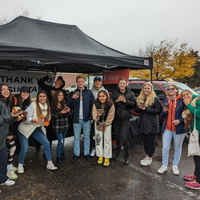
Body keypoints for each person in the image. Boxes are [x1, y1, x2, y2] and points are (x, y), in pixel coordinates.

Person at [17, 90, 57, 173]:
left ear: (46, 98)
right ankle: (20, 164)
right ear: (38, 98)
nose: (42, 98)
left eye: (44, 96)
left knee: (46, 143)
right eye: (40, 96)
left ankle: (49, 163)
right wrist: (33, 120)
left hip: (36, 129)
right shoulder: (33, 105)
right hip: (25, 128)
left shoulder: (47, 107)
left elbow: (47, 120)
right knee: (24, 148)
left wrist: (47, 120)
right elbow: (25, 118)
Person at [157, 84, 185, 175]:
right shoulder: (166, 100)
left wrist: (180, 120)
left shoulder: (182, 101)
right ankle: (164, 165)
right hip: (167, 128)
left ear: (177, 90)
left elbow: (188, 115)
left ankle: (175, 165)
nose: (170, 90)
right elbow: (162, 115)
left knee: (178, 147)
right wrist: (164, 111)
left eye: (172, 89)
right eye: (168, 89)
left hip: (179, 129)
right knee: (165, 148)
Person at [7, 86, 31, 180]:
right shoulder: (14, 99)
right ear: (20, 92)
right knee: (11, 146)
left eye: (27, 93)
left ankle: (10, 164)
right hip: (9, 125)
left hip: (16, 126)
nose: (26, 94)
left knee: (11, 146)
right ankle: (8, 168)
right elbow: (10, 112)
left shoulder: (27, 102)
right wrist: (16, 117)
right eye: (24, 92)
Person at [68, 75, 95, 163]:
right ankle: (76, 154)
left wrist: (91, 117)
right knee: (76, 138)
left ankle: (86, 154)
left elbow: (92, 106)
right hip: (76, 119)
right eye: (78, 81)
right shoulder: (74, 93)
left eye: (81, 81)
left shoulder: (89, 93)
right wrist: (73, 98)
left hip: (86, 119)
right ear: (76, 83)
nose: (80, 83)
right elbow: (69, 105)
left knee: (87, 137)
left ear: (84, 82)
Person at [135, 82, 161, 166]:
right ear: (143, 89)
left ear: (151, 89)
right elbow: (136, 110)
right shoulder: (141, 98)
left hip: (152, 124)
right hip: (143, 123)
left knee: (151, 142)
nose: (146, 90)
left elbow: (158, 111)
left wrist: (146, 109)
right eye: (145, 88)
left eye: (148, 88)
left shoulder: (155, 98)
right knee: (145, 142)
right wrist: (138, 108)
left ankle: (149, 157)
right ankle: (147, 156)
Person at [111, 78, 136, 165]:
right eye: (120, 83)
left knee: (124, 137)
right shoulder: (115, 93)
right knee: (117, 136)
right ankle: (118, 153)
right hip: (116, 118)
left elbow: (133, 104)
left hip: (126, 118)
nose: (122, 85)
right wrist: (116, 101)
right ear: (118, 85)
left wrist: (126, 101)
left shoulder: (130, 93)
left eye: (123, 83)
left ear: (126, 85)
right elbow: (110, 104)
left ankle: (127, 156)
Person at [0, 84, 19, 186]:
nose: (6, 91)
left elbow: (6, 122)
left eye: (7, 89)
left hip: (2, 138)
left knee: (3, 158)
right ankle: (2, 179)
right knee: (3, 158)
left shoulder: (6, 104)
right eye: (3, 89)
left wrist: (15, 117)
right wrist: (10, 116)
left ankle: (2, 179)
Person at [181, 90, 200, 189]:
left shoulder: (198, 100)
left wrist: (188, 105)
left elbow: (199, 113)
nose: (186, 96)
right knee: (196, 156)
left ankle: (198, 181)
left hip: (199, 133)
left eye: (187, 94)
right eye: (183, 96)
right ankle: (196, 175)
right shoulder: (192, 102)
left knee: (199, 158)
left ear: (191, 94)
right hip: (195, 133)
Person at [92, 90, 115, 167]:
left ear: (106, 96)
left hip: (107, 125)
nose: (101, 98)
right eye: (100, 96)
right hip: (98, 125)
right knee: (98, 141)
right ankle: (100, 156)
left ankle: (107, 157)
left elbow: (111, 117)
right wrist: (97, 117)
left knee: (107, 141)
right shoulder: (95, 104)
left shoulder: (111, 104)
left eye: (103, 96)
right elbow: (94, 115)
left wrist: (105, 125)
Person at [90, 76, 109, 157]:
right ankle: (94, 148)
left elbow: (108, 104)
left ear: (101, 82)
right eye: (96, 81)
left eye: (99, 81)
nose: (97, 83)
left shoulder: (105, 91)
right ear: (94, 82)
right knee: (94, 133)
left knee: (103, 133)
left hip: (103, 116)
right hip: (94, 116)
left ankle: (102, 147)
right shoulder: (90, 92)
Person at [51, 90, 71, 165]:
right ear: (56, 96)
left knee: (63, 141)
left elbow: (70, 115)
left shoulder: (65, 103)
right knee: (60, 141)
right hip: (57, 127)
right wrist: (61, 112)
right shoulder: (53, 104)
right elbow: (52, 117)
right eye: (59, 95)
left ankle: (62, 154)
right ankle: (58, 157)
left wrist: (69, 111)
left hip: (65, 126)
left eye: (62, 95)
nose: (60, 97)